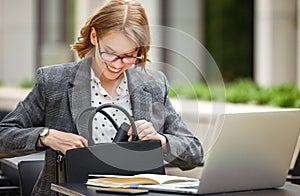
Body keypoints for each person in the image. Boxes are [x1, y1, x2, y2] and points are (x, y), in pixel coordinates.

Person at [0, 0, 203, 195]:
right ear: (94, 36)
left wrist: (161, 141)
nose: (117, 63)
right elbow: (3, 136)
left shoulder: (153, 85)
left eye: (129, 55)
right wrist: (46, 136)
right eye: (110, 52)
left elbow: (195, 153)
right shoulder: (55, 82)